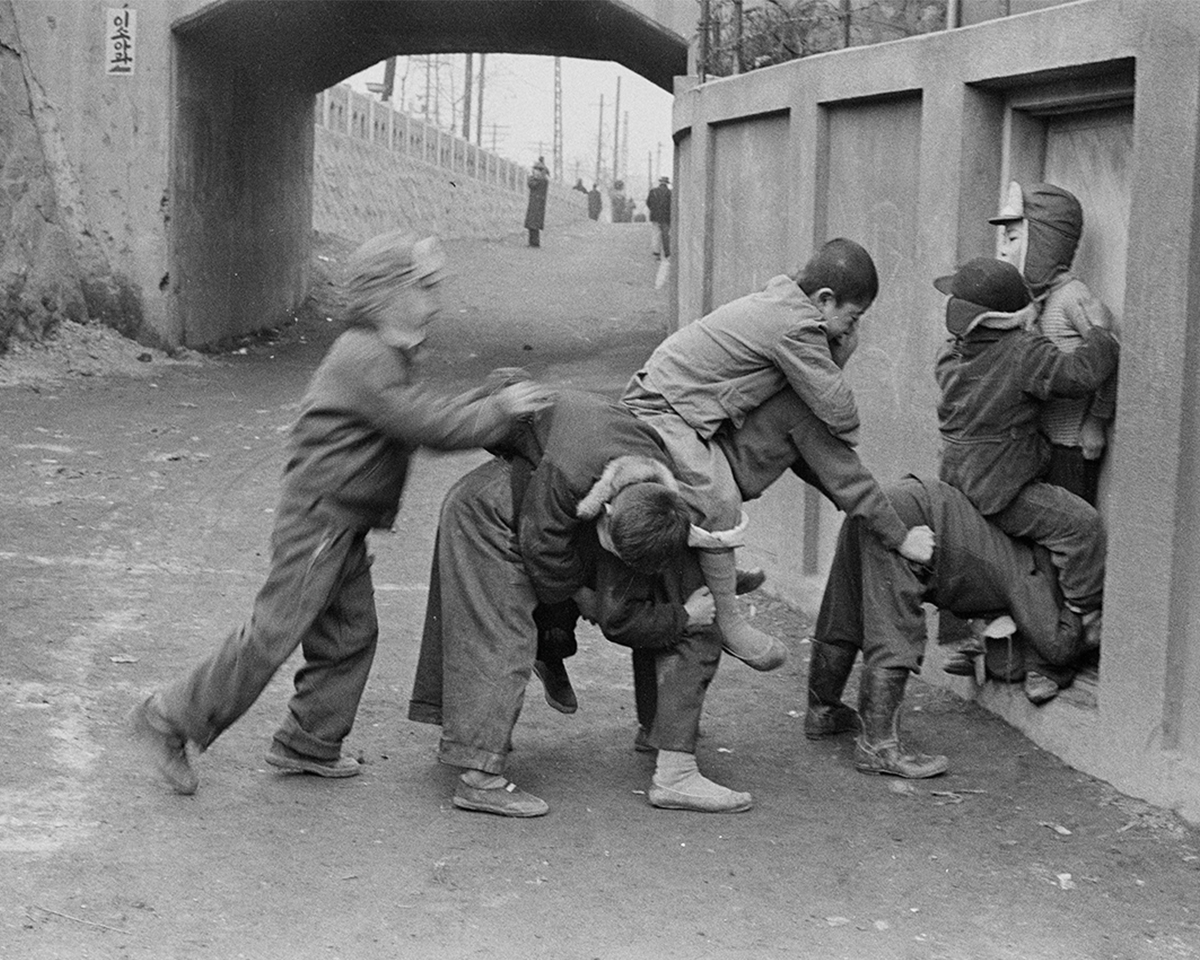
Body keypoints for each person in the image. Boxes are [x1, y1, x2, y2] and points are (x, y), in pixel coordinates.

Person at [128, 231, 551, 795]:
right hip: (321, 521)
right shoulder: (365, 356)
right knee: (273, 634)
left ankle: (308, 742)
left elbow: (421, 411)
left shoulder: (381, 350)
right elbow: (422, 423)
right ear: (387, 294)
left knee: (350, 634)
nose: (435, 301)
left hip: (341, 522)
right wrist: (496, 411)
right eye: (423, 288)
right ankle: (170, 717)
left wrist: (487, 403)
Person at [408, 391, 751, 816]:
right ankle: (480, 777)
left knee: (559, 591)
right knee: (501, 635)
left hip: (521, 492)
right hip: (486, 518)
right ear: (604, 509)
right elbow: (544, 554)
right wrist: (597, 601)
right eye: (612, 544)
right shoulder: (567, 478)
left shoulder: (655, 482)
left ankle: (550, 656)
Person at [621, 238, 934, 674]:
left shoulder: (785, 305)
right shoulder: (797, 326)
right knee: (719, 499)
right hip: (663, 409)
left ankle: (720, 574)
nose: (850, 329)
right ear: (824, 301)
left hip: (682, 406)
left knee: (721, 492)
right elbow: (841, 414)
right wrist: (841, 355)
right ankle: (729, 621)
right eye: (853, 317)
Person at [808, 475, 1088, 777]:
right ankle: (877, 747)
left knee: (844, 607)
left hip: (886, 502)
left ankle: (822, 711)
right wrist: (1079, 611)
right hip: (912, 521)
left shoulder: (1006, 542)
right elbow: (1056, 646)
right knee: (895, 626)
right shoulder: (1029, 570)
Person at [933, 256, 1119, 702]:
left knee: (1003, 559)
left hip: (959, 482)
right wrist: (1099, 332)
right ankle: (1078, 623)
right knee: (1081, 527)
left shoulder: (949, 354)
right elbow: (1080, 375)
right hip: (1003, 488)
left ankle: (988, 638)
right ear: (1011, 317)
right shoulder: (1023, 351)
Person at [991, 181, 1116, 509]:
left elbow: (1110, 356)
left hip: (1070, 445)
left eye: (1013, 239)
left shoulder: (1073, 297)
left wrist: (1096, 422)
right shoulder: (1035, 300)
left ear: (1043, 243)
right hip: (1039, 443)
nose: (1002, 250)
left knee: (1070, 520)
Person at [524, 157, 550, 247]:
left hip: (535, 204)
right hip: (538, 204)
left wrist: (530, 177)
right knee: (534, 224)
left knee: (533, 224)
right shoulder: (544, 180)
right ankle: (534, 242)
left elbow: (531, 185)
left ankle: (534, 243)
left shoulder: (539, 180)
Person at [646, 175, 672, 260]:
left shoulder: (653, 191)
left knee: (656, 234)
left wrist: (654, 210)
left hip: (655, 216)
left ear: (660, 182)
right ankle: (667, 253)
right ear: (667, 184)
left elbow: (648, 203)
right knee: (666, 235)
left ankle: (656, 253)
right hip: (666, 217)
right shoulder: (669, 193)